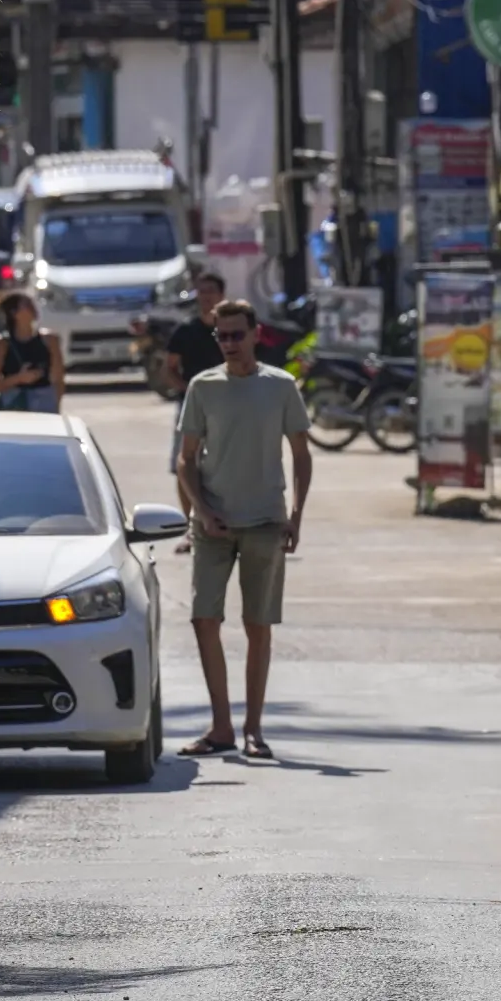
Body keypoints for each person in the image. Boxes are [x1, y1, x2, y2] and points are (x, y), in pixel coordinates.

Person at [175, 299, 312, 761]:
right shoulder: (203, 387)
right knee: (203, 619)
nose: (230, 344)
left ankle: (254, 729)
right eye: (222, 336)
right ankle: (221, 726)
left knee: (258, 625)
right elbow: (185, 460)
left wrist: (296, 514)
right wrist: (201, 509)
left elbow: (301, 453)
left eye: (237, 334)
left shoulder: (280, 386)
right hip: (213, 523)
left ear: (256, 334)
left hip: (265, 521)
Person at [165, 273, 229, 554]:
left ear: (221, 295)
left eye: (211, 292)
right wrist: (186, 391)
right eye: (201, 292)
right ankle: (193, 529)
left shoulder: (232, 330)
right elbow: (169, 368)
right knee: (185, 465)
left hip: (228, 406)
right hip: (191, 407)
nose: (206, 297)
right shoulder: (185, 331)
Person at [0, 289, 64, 412]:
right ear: (14, 313)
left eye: (32, 303)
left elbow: (58, 379)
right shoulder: (2, 343)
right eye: (27, 305)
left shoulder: (49, 340)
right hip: (13, 407)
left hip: (44, 405)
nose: (33, 308)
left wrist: (55, 405)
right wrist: (19, 378)